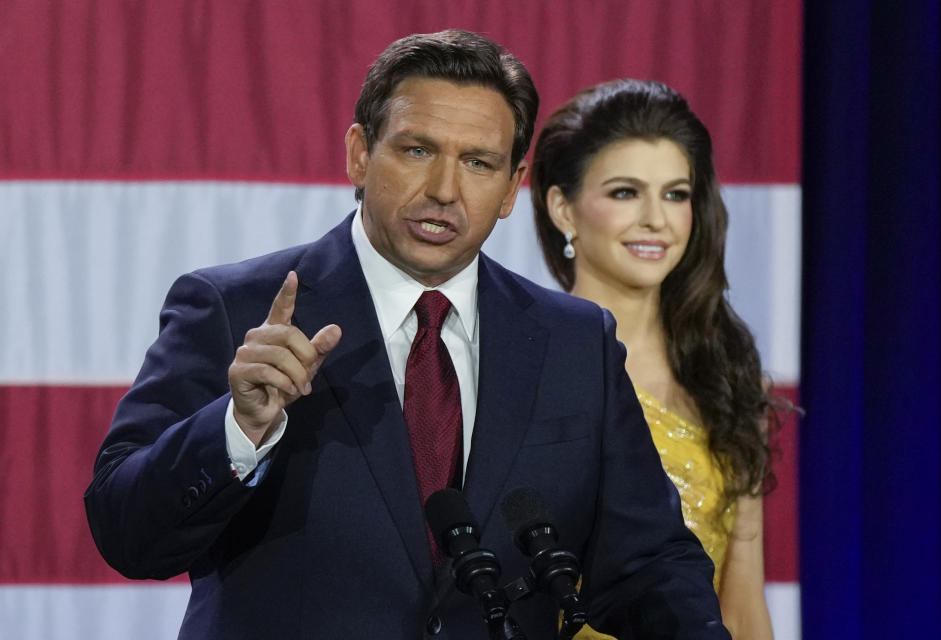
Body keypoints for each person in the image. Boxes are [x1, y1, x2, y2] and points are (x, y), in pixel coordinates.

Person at [84, 32, 729, 639]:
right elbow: (125, 532)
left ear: (512, 188)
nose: (444, 190)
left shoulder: (574, 342)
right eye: (417, 150)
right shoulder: (237, 309)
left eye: (478, 163)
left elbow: (648, 564)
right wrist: (238, 428)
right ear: (360, 154)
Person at [531, 79, 775, 639]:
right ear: (563, 208)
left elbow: (741, 608)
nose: (656, 220)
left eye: (675, 194)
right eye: (624, 192)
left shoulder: (728, 380)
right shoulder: (523, 370)